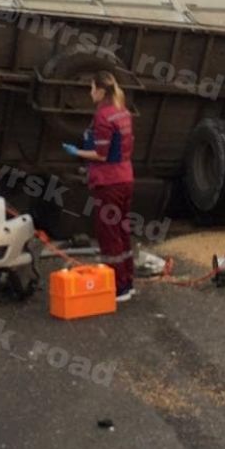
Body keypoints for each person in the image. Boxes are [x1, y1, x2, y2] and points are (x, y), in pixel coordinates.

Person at [62, 72, 136, 302]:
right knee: (122, 230)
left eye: (92, 88)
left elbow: (101, 155)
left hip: (108, 182)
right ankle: (127, 280)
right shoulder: (122, 112)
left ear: (101, 91)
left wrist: (77, 152)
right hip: (125, 178)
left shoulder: (103, 116)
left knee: (108, 233)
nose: (90, 92)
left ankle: (118, 286)